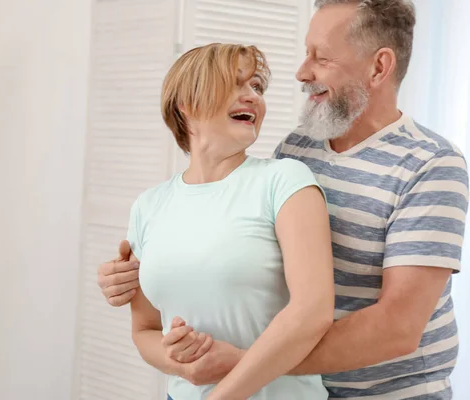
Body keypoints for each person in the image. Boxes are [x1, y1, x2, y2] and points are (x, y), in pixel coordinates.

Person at [98, 0, 469, 398]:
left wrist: (245, 362)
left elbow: (397, 327)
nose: (301, 72)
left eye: (321, 57)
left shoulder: (431, 164)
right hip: (297, 385)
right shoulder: (298, 149)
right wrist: (139, 273)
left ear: (378, 67)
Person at [121, 42, 335, 400]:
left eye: (256, 87)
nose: (252, 96)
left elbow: (311, 313)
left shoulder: (285, 180)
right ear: (186, 103)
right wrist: (180, 364)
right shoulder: (149, 206)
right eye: (235, 84)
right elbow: (144, 329)